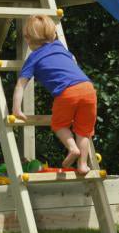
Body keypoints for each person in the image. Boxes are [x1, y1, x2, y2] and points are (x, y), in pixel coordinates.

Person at [11, 15, 98, 175]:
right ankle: (83, 165)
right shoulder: (59, 46)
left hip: (67, 92)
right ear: (54, 35)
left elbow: (20, 85)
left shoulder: (33, 58)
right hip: (88, 88)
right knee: (83, 131)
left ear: (27, 39)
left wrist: (17, 109)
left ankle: (72, 148)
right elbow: (73, 59)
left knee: (59, 125)